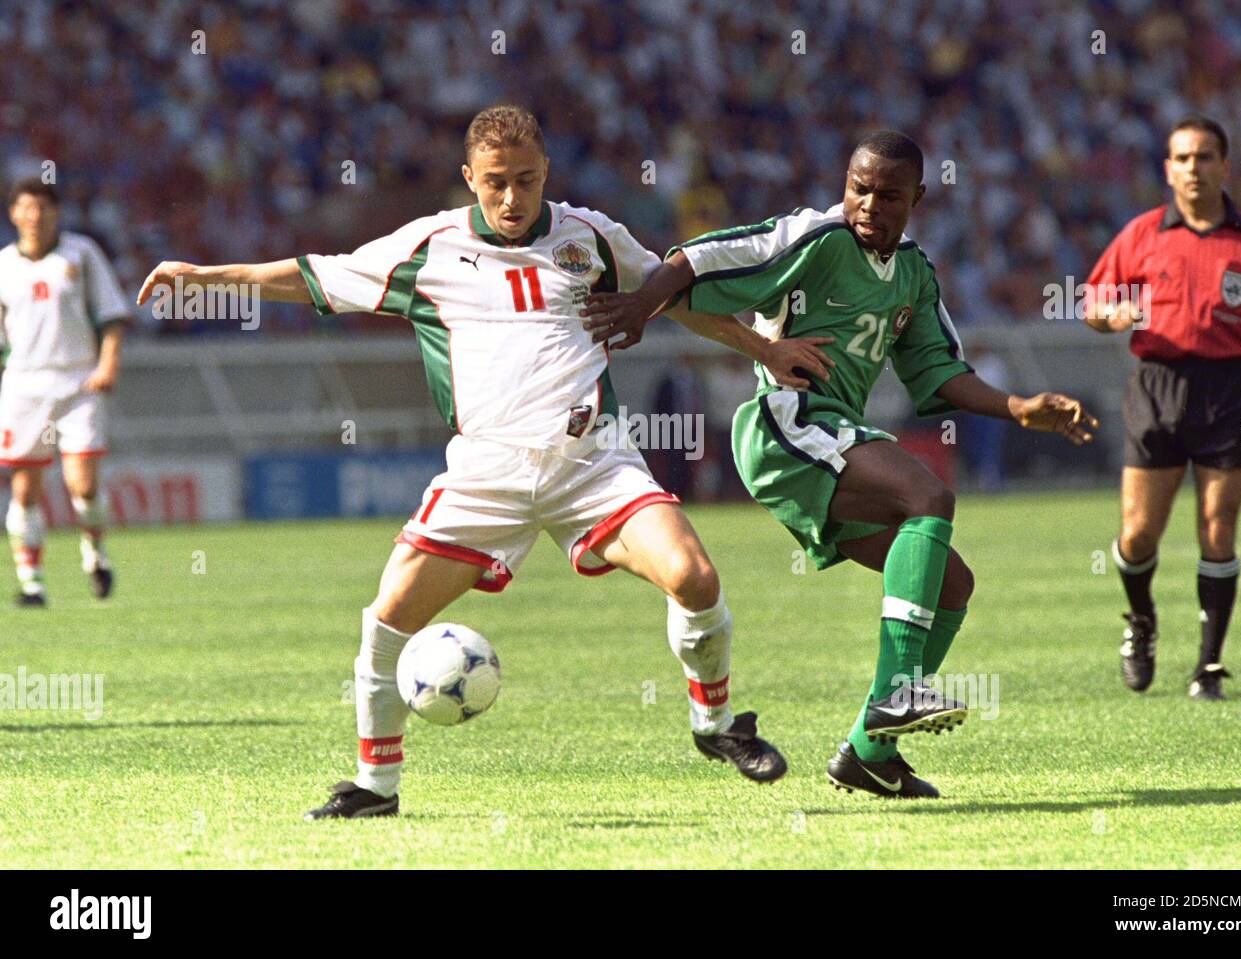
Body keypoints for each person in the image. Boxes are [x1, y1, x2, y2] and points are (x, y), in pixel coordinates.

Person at [137, 105, 787, 820]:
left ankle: (717, 725)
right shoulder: (429, 247)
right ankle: (375, 787)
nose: (512, 199)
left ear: (548, 175)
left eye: (528, 181)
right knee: (386, 618)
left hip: (593, 463)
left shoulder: (592, 236)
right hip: (487, 474)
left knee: (694, 575)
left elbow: (675, 296)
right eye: (496, 183)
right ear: (468, 179)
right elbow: (316, 279)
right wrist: (207, 277)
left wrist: (766, 349)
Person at [582, 131, 1097, 798]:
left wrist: (1020, 405)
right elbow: (697, 258)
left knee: (951, 584)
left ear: (917, 197)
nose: (866, 204)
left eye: (887, 194)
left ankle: (868, 751)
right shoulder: (816, 238)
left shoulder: (913, 272)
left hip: (833, 434)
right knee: (930, 497)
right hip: (785, 423)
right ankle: (900, 693)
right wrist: (637, 306)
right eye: (858, 187)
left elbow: (938, 374)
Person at [1082, 115, 1241, 701]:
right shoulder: (1142, 234)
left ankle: (1209, 666)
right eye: (1182, 158)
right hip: (1156, 387)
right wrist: (1114, 314)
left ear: (1225, 167)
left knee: (1218, 527)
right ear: (1167, 169)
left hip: (1230, 391)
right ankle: (1143, 623)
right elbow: (1093, 304)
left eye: (1204, 157)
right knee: (1137, 534)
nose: (1193, 168)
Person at [0, 178, 129, 606]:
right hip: (24, 383)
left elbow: (112, 314)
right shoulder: (4, 266)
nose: (35, 217)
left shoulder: (82, 254)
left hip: (78, 381)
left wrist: (108, 362)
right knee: (24, 488)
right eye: (27, 209)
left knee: (84, 486)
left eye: (43, 208)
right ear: (14, 214)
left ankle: (95, 553)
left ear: (56, 213)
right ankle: (32, 582)